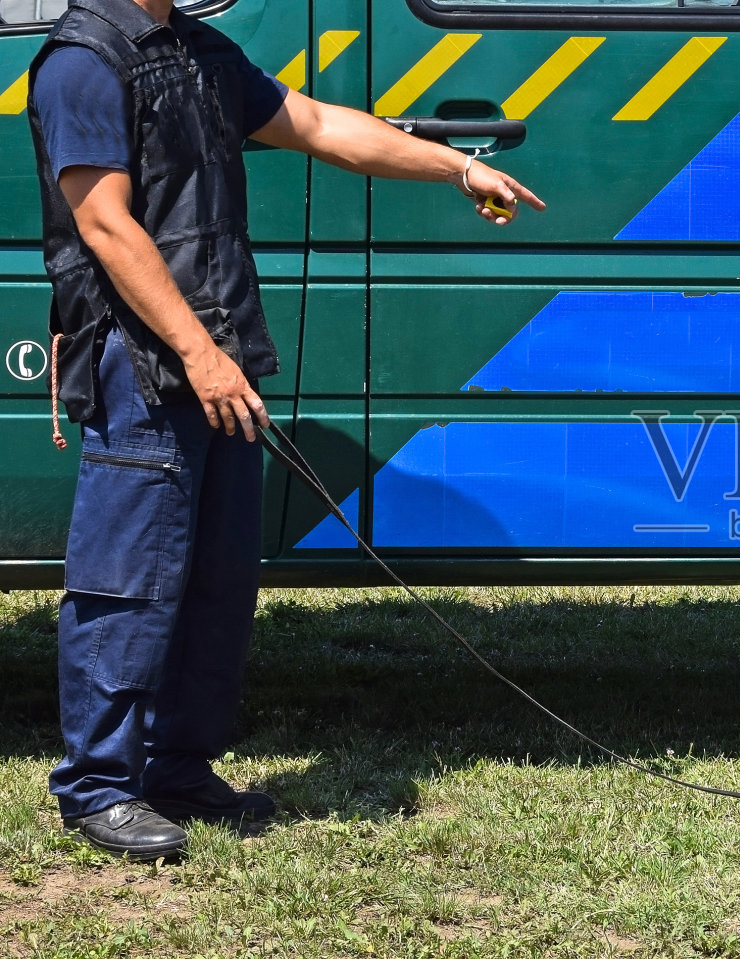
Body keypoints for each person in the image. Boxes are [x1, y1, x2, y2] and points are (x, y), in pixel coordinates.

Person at [29, 0, 542, 860]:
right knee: (130, 581)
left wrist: (456, 167)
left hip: (218, 350)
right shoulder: (82, 61)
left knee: (215, 581)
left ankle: (176, 767)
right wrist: (197, 352)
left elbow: (315, 122)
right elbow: (104, 224)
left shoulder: (196, 50)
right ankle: (98, 788)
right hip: (146, 360)